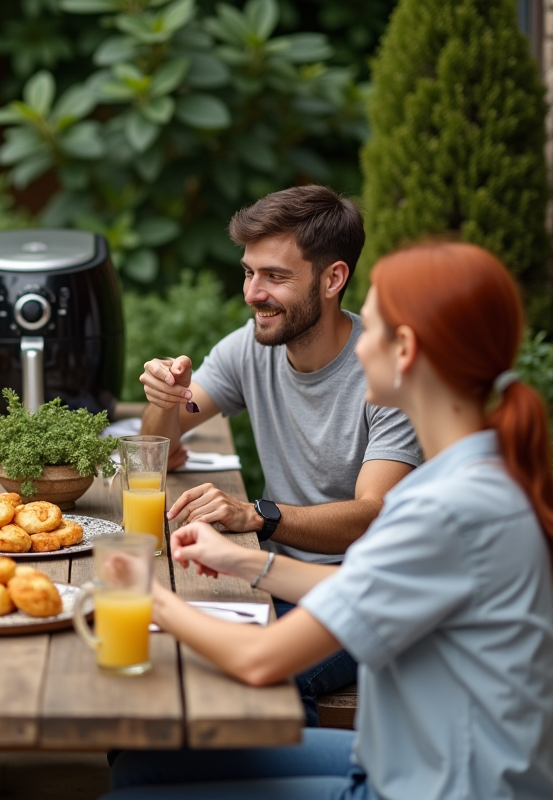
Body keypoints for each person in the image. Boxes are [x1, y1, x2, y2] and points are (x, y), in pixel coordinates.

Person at [107, 241, 553, 800]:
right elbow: (365, 585)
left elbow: (261, 659)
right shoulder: (472, 474)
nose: (361, 348)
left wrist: (150, 595)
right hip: (400, 756)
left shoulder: (444, 511)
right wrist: (245, 560)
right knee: (141, 768)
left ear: (404, 350)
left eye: (377, 331)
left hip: (429, 787)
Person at [139, 185, 421, 725]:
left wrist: (257, 516)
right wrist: (166, 399)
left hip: (363, 591)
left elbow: (372, 516)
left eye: (275, 276)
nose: (253, 292)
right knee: (165, 661)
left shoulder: (385, 376)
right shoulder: (252, 345)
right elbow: (162, 447)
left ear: (333, 279)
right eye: (248, 272)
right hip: (274, 574)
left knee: (273, 682)